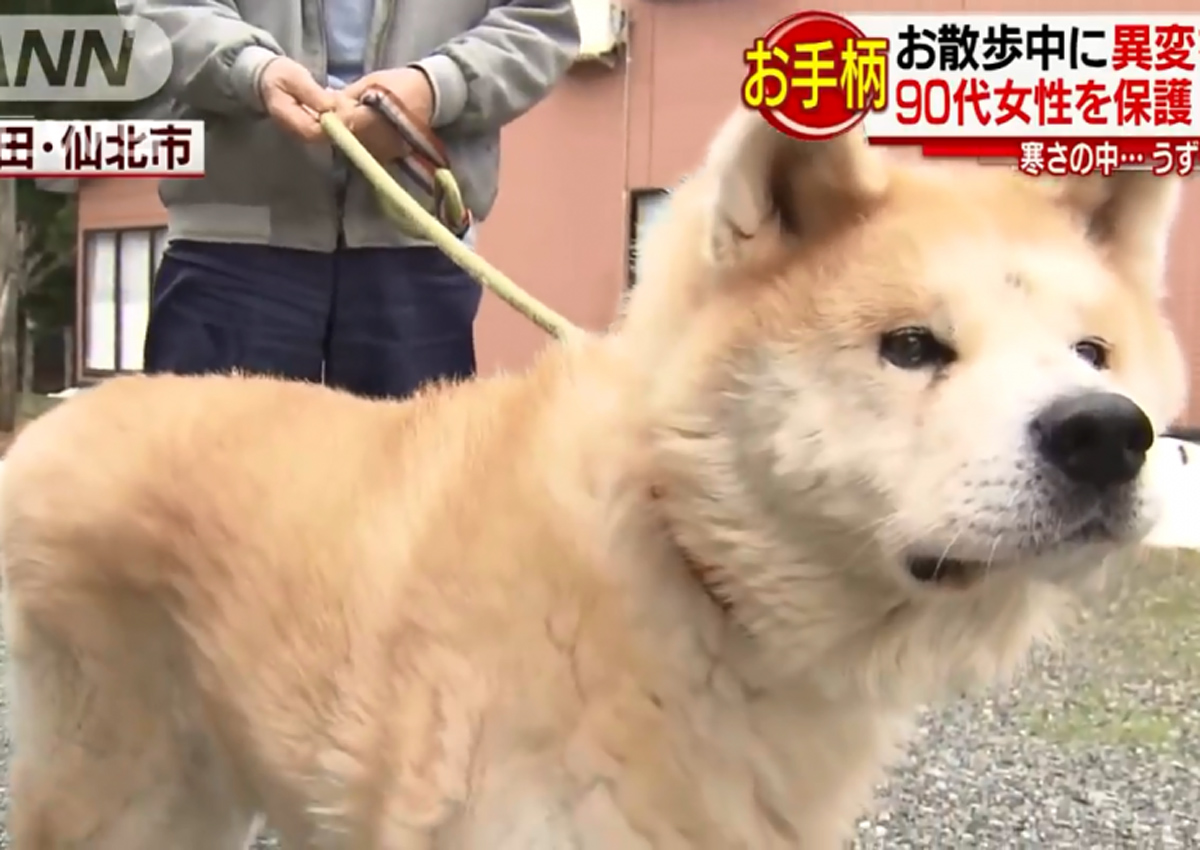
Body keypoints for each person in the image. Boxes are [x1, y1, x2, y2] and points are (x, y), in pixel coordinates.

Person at [134, 0, 579, 398]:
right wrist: (251, 69)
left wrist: (435, 86)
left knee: (416, 484)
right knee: (203, 480)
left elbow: (538, 18)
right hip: (232, 244)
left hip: (416, 244)